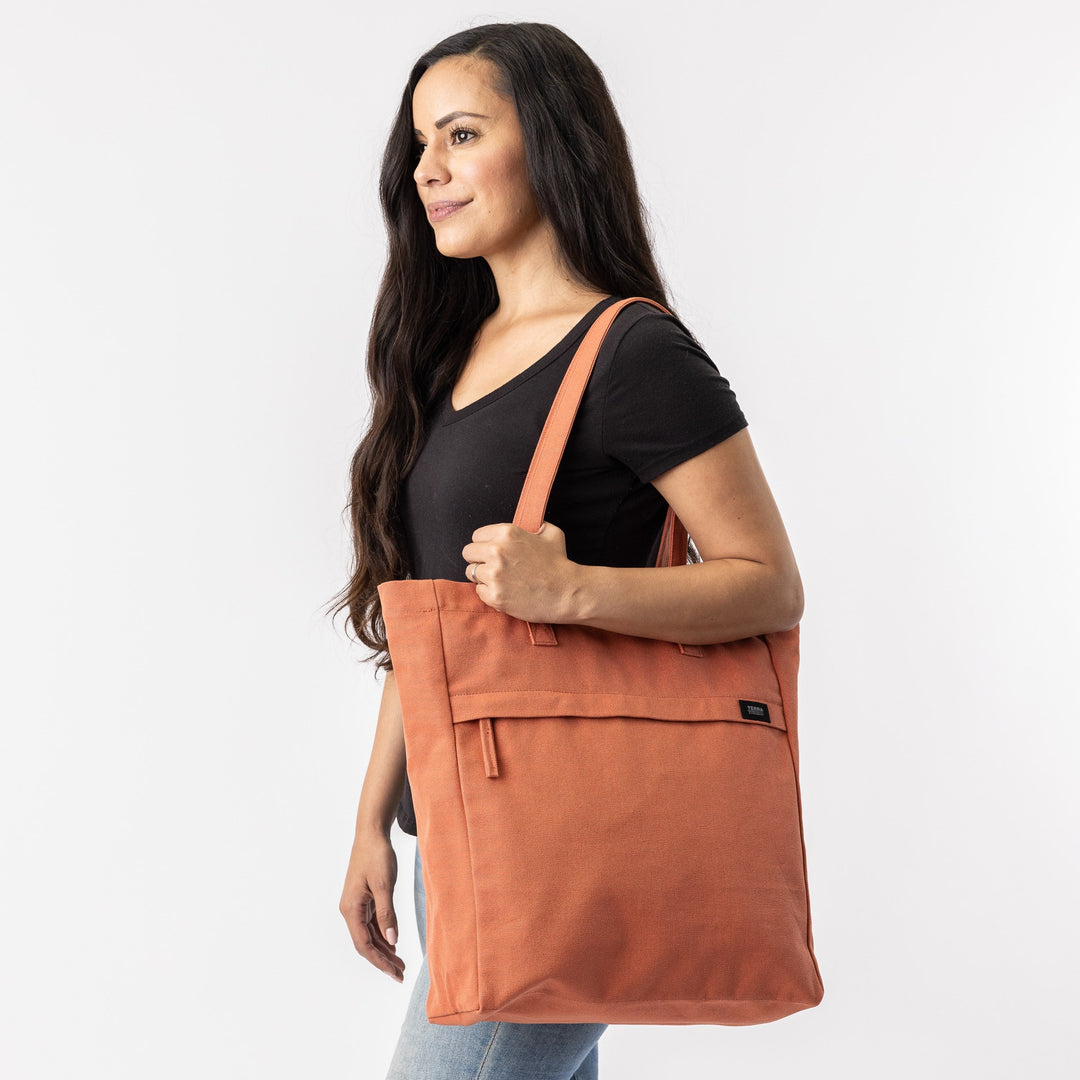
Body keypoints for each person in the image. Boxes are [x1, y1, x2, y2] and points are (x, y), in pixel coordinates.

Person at [331, 21, 804, 1080]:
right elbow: (433, 622)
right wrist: (371, 823)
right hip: (454, 838)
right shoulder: (448, 356)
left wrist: (573, 589)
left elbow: (770, 583)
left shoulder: (634, 351)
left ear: (549, 141)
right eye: (421, 143)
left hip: (560, 847)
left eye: (461, 135)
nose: (428, 169)